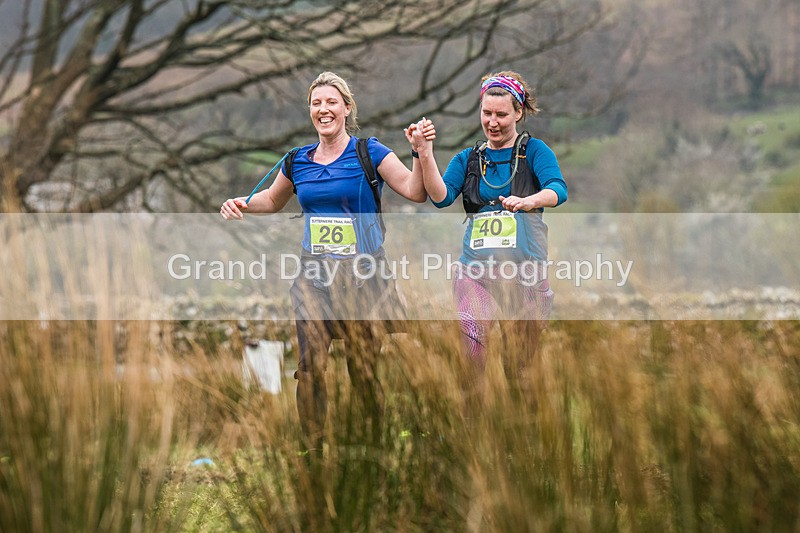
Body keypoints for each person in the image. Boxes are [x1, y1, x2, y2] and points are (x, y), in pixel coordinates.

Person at [221, 72, 429, 452]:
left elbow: (416, 192)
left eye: (331, 102)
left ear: (347, 109)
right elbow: (272, 200)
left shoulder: (370, 152)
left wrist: (420, 153)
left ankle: (372, 448)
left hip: (364, 278)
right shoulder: (297, 160)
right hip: (314, 278)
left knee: (363, 371)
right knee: (311, 368)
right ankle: (312, 451)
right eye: (316, 103)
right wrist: (242, 204)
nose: (323, 109)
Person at [408, 70, 567, 397]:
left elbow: (558, 190)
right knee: (473, 356)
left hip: (526, 275)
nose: (492, 122)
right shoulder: (468, 159)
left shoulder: (534, 152)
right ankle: (471, 434)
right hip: (475, 274)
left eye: (501, 115)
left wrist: (528, 201)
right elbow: (440, 197)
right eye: (486, 113)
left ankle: (520, 438)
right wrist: (424, 152)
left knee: (519, 370)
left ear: (519, 112)